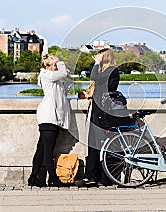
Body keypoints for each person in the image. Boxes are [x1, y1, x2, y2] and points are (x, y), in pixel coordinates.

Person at [76, 48, 119, 187]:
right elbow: (92, 74)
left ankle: (102, 176)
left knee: (102, 143)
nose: (97, 58)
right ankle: (93, 174)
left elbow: (93, 76)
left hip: (104, 112)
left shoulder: (111, 70)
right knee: (93, 143)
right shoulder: (104, 71)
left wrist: (96, 64)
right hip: (98, 110)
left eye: (100, 56)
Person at [28, 53, 72, 187]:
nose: (56, 66)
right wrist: (61, 63)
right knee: (48, 150)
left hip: (51, 117)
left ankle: (33, 177)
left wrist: (69, 78)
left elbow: (65, 90)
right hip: (48, 116)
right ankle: (53, 178)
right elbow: (62, 73)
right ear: (47, 66)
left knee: (41, 149)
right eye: (54, 64)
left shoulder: (54, 79)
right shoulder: (46, 75)